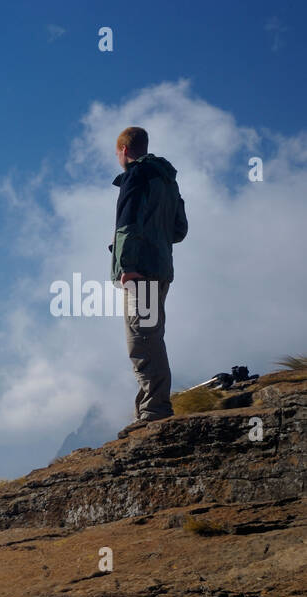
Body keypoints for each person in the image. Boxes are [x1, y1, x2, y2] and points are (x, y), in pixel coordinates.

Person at [111, 126, 188, 438]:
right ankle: (148, 409)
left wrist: (126, 265)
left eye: (117, 153)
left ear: (125, 151)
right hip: (161, 268)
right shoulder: (168, 179)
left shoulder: (135, 175)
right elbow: (179, 230)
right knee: (151, 335)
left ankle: (155, 411)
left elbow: (126, 223)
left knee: (141, 339)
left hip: (139, 270)